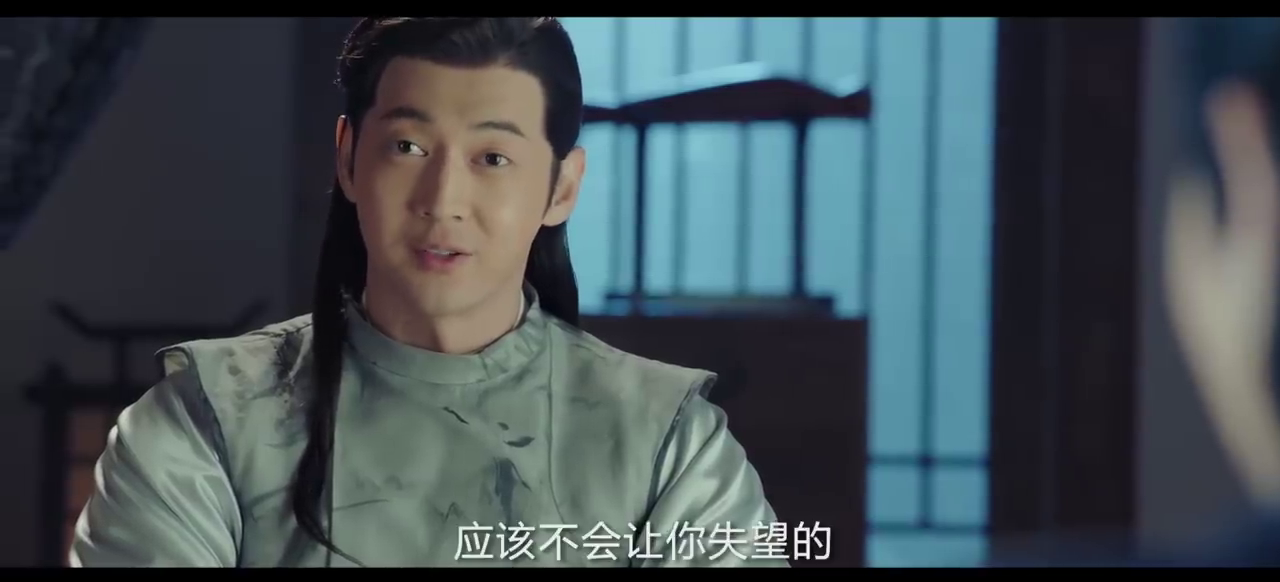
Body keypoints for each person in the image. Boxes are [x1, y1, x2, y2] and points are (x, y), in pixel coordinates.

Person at [69, 17, 782, 568]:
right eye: (407, 147)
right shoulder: (207, 420)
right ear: (348, 158)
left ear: (561, 187)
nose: (443, 201)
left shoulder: (668, 442)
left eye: (492, 157)